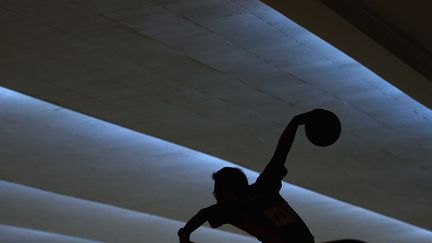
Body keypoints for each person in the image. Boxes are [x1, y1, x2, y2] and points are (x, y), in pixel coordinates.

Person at [178, 111, 316, 243]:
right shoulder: (264, 187)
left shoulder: (232, 207)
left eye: (217, 194)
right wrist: (294, 123)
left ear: (228, 193)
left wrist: (184, 234)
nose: (216, 198)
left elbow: (204, 214)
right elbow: (281, 152)